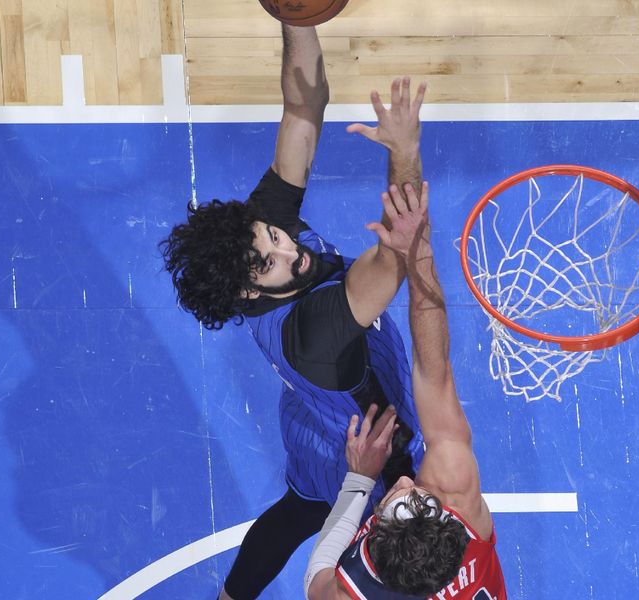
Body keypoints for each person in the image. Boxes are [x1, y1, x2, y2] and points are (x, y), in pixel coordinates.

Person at [160, 23, 429, 600]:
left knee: (299, 508)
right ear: (249, 294)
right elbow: (393, 256)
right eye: (270, 262)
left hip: (311, 420)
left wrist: (297, 14)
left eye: (274, 234)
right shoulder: (314, 333)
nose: (289, 249)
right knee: (405, 562)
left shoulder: (258, 236)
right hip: (371, 445)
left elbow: (303, 105)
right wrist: (404, 152)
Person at [304, 182, 507, 600]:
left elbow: (316, 581)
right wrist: (420, 252)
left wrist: (359, 481)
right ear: (450, 527)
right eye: (418, 498)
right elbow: (435, 372)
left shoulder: (350, 594)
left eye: (397, 499)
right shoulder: (455, 495)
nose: (404, 485)